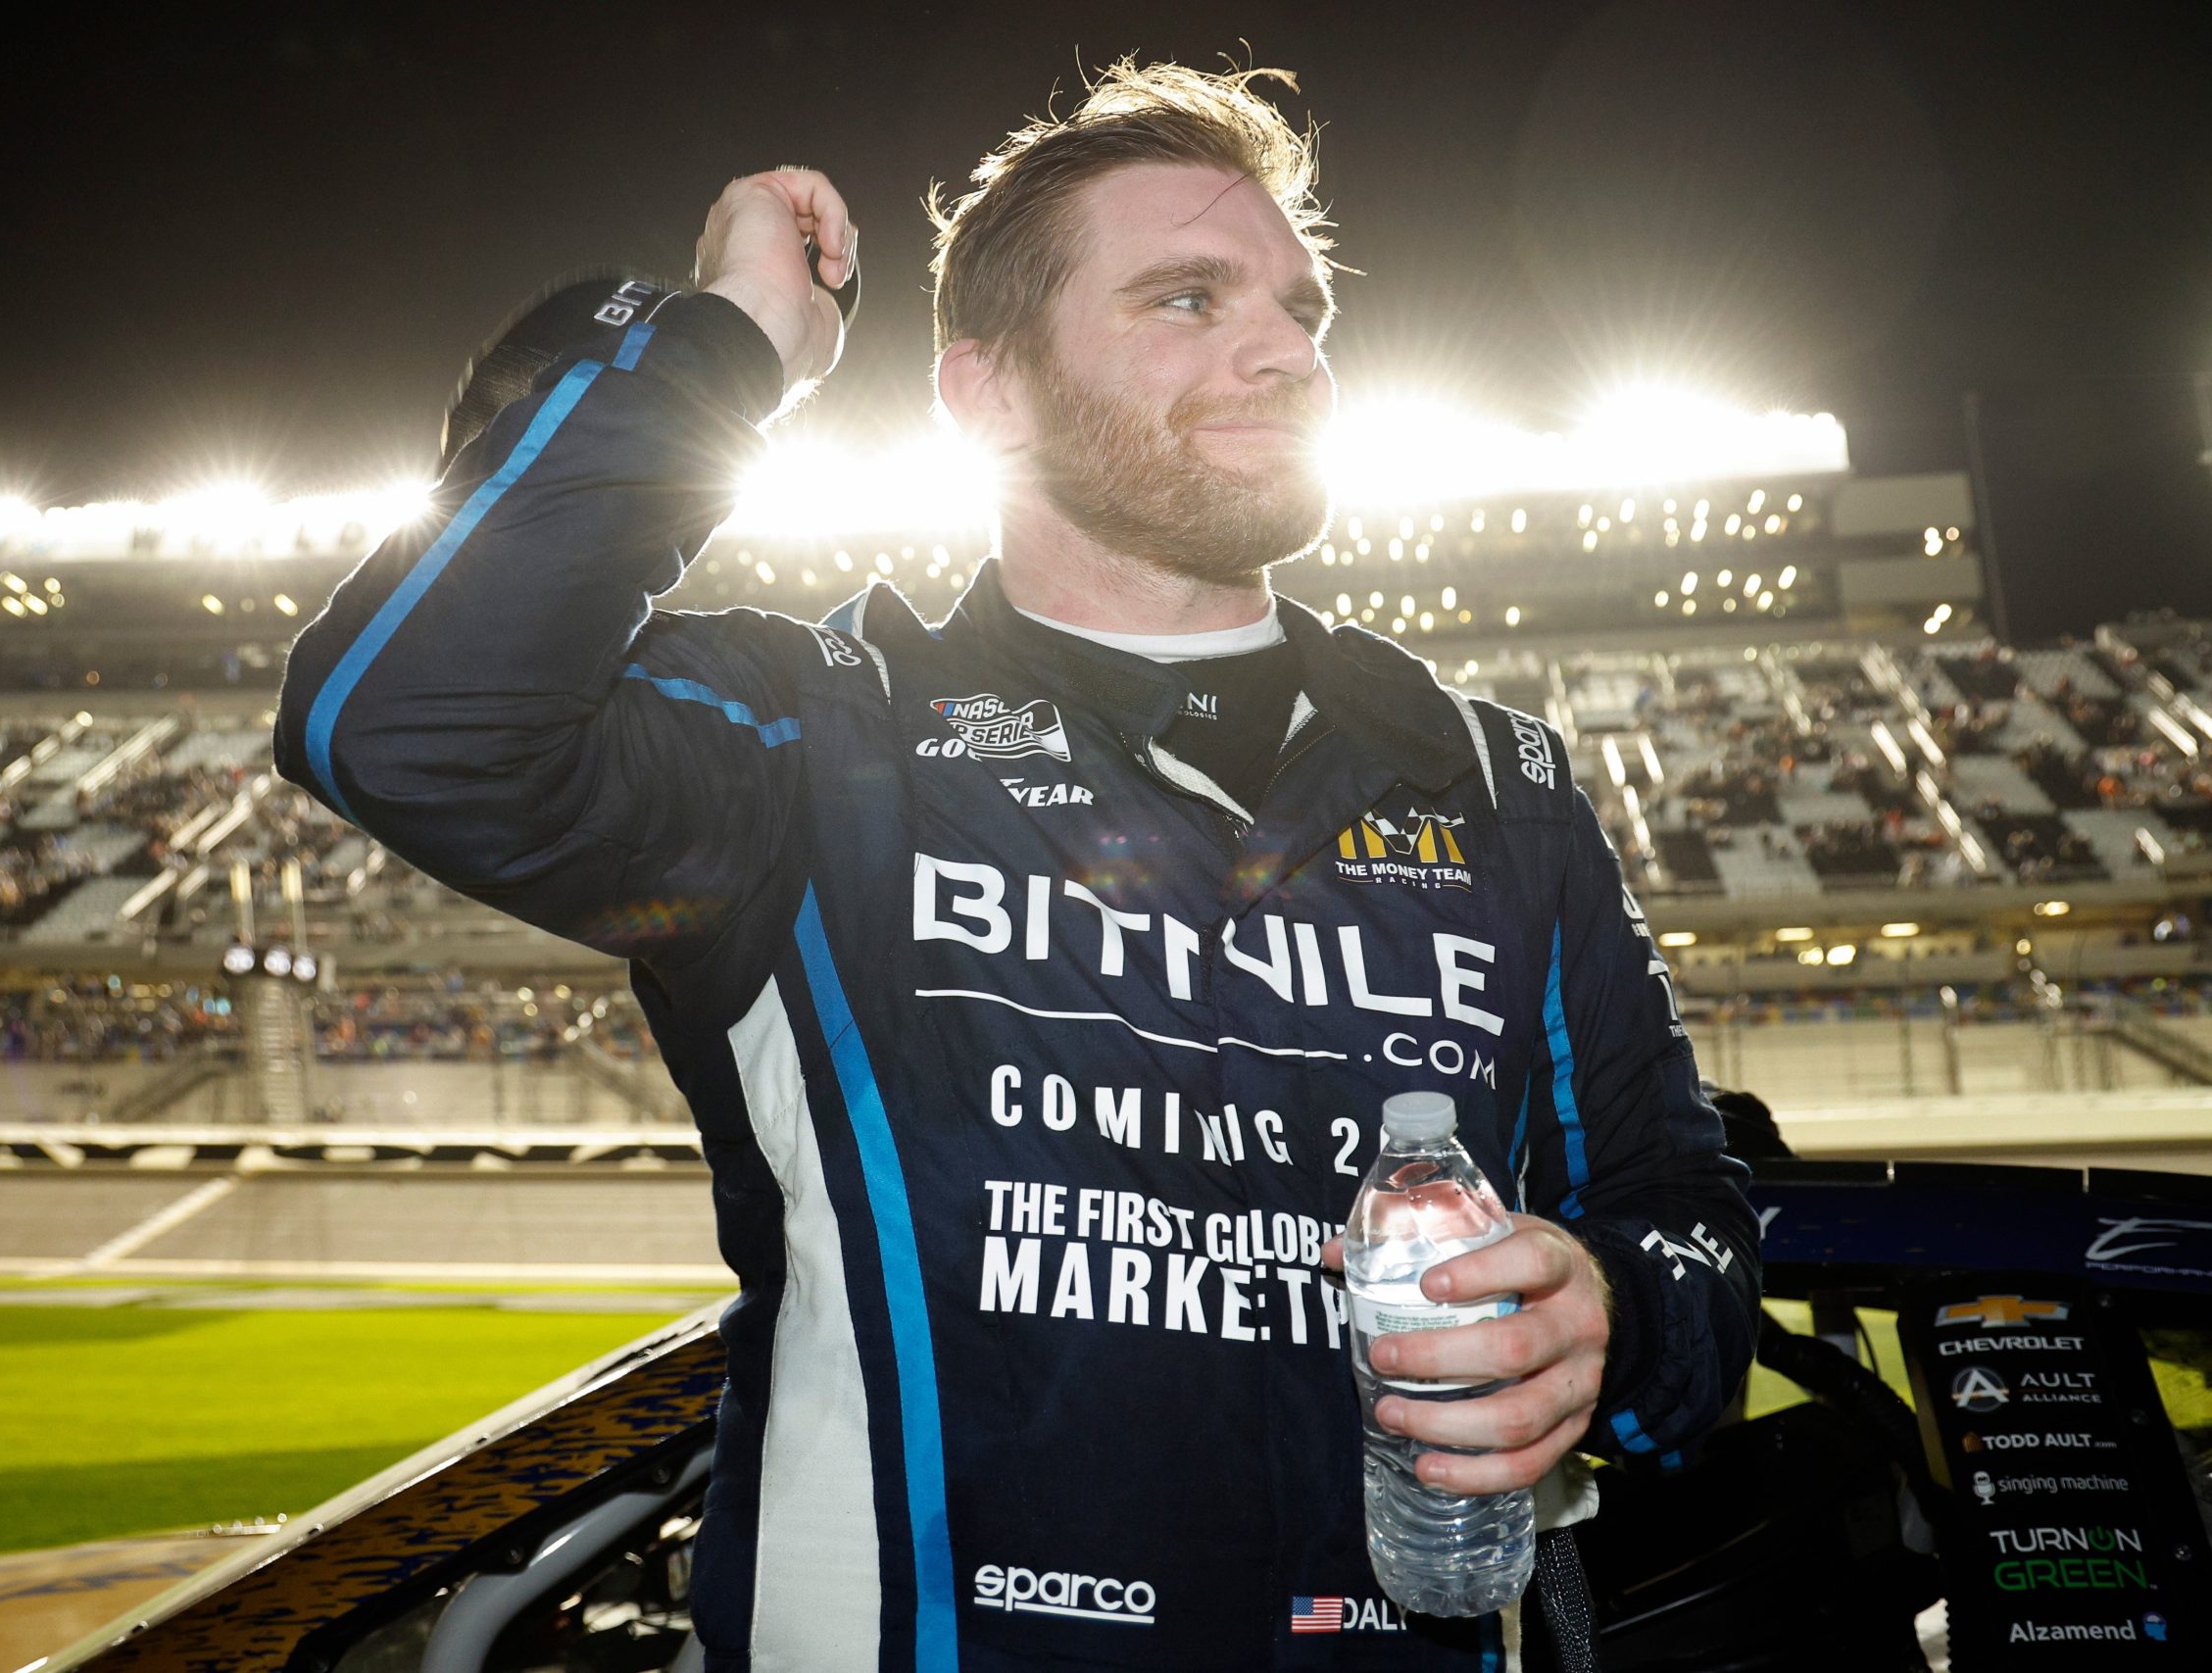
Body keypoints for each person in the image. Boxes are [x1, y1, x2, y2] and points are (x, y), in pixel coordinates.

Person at [277, 57, 1758, 1672]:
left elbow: (1684, 1211)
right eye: (1188, 301)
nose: (1287, 352)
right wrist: (728, 351)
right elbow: (403, 721)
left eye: (1300, 310)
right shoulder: (815, 739)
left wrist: (1609, 1307)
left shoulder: (1492, 780)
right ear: (985, 393)